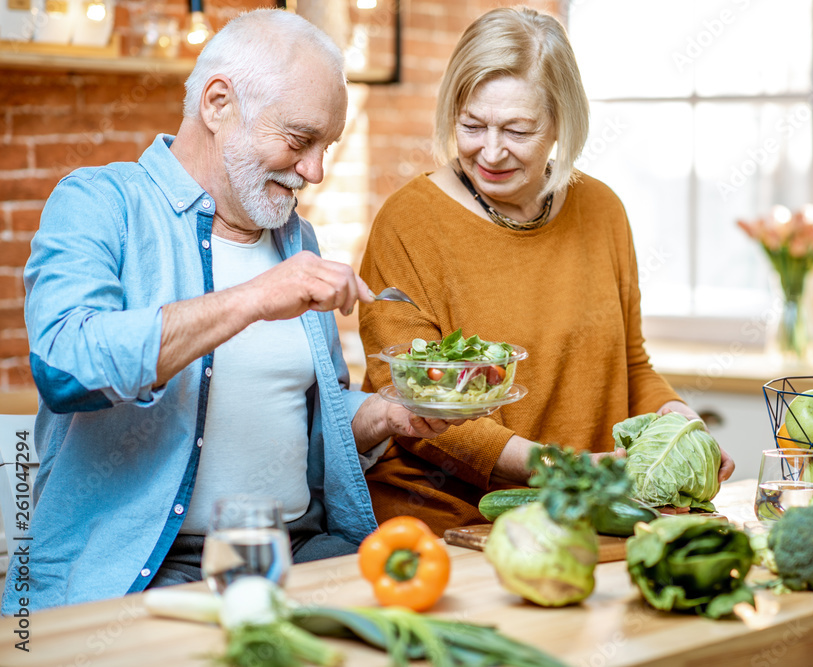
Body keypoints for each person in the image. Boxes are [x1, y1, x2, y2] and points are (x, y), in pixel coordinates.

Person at [1, 9, 456, 614]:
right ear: (218, 103)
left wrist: (386, 414)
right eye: (299, 140)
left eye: (326, 147)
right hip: (152, 571)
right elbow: (66, 367)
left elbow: (302, 425)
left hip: (303, 551)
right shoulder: (100, 202)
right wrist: (252, 300)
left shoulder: (297, 241)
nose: (314, 171)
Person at [358, 7, 735, 536]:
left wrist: (681, 426)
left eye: (518, 129)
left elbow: (630, 364)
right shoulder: (408, 222)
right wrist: (563, 468)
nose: (490, 151)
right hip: (450, 525)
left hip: (585, 514)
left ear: (561, 122)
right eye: (471, 125)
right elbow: (413, 404)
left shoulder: (602, 210)